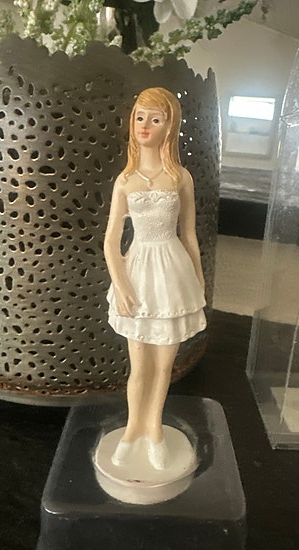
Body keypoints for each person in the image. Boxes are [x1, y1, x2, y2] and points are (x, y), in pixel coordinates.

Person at [103, 87, 206, 471]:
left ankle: (155, 430)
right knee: (140, 365)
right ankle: (133, 430)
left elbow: (189, 234)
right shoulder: (125, 181)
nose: (145, 125)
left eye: (156, 119)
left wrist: (198, 281)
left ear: (170, 127)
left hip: (172, 273)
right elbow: (111, 240)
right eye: (140, 117)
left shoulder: (180, 178)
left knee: (164, 366)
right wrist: (121, 284)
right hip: (139, 272)